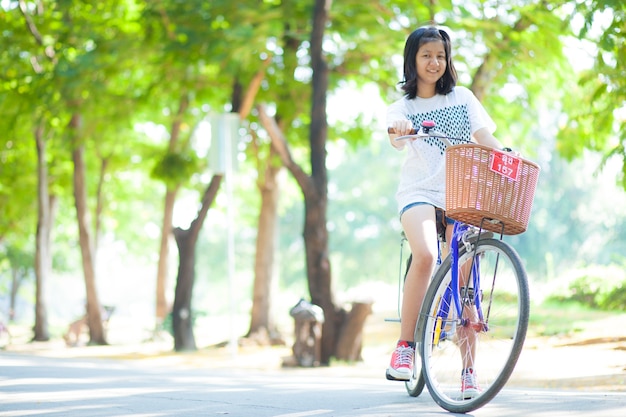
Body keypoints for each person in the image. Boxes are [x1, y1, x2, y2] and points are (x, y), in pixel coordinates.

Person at [385, 26, 503, 398]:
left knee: (467, 280)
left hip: (460, 194)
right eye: (426, 56)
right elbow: (395, 137)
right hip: (418, 193)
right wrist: (401, 129)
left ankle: (469, 371)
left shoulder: (463, 98)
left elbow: (486, 139)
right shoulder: (402, 107)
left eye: (440, 56)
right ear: (413, 61)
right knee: (427, 254)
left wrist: (508, 157)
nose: (434, 62)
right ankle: (405, 348)